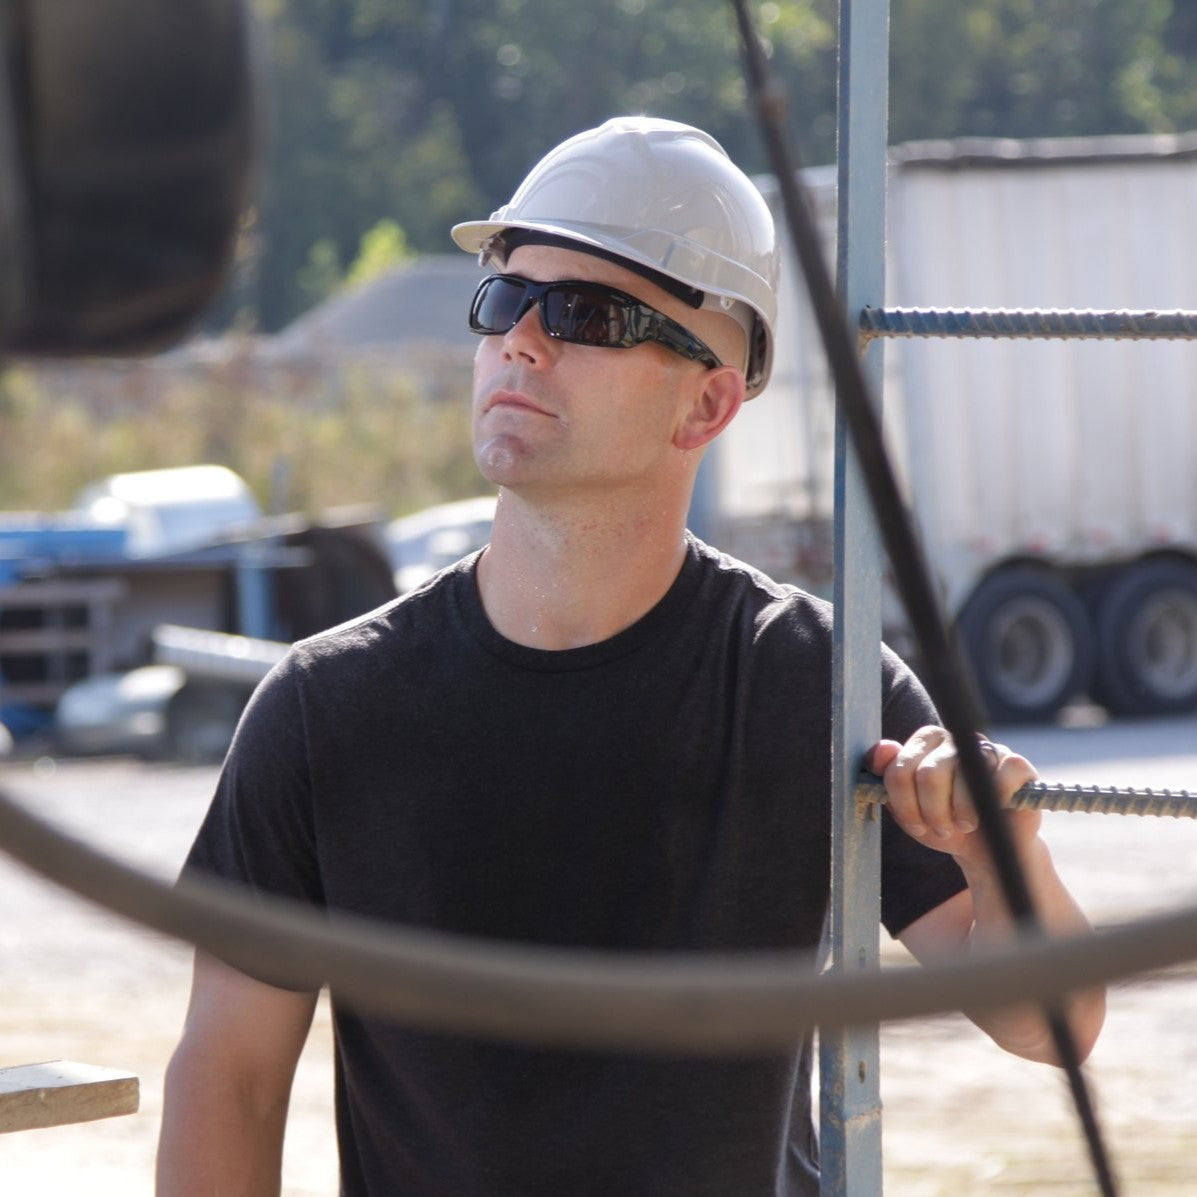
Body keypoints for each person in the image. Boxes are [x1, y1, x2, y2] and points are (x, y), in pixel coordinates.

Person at [156, 117, 1104, 1196]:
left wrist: (1002, 854)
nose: (520, 339)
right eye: (506, 297)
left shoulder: (819, 686)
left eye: (585, 314)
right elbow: (227, 1080)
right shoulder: (324, 708)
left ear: (706, 401)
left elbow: (1054, 1027)